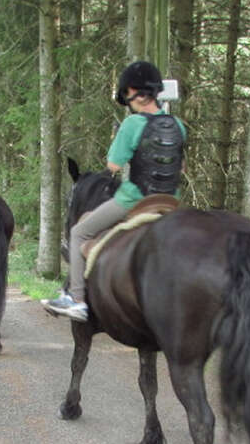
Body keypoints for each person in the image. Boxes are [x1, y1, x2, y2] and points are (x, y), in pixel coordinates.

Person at [42, 61, 186, 322]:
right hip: (170, 202)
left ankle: (76, 300)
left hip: (134, 201)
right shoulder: (177, 124)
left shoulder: (133, 123)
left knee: (78, 232)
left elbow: (113, 165)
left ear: (133, 91)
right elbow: (181, 166)